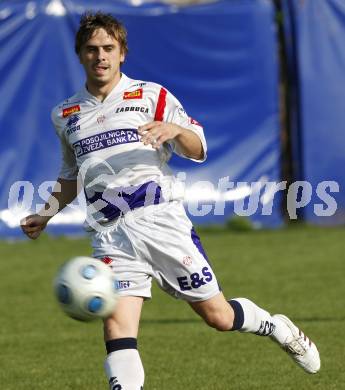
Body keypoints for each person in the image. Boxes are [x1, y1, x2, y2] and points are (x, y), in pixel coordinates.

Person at [21, 12, 320, 390]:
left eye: (108, 48)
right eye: (92, 49)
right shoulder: (66, 114)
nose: (101, 56)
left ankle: (275, 326)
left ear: (122, 53)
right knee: (117, 328)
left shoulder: (150, 95)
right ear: (80, 53)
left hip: (162, 223)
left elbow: (198, 147)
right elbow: (71, 175)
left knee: (219, 317)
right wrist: (45, 215)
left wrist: (176, 131)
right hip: (111, 234)